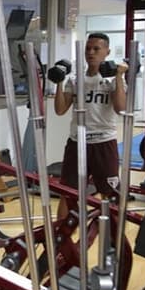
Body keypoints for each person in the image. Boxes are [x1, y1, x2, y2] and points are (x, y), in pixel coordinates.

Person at [54, 32, 127, 218]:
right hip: (77, 142)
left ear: (107, 52)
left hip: (104, 143)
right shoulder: (75, 79)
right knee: (67, 193)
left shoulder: (112, 81)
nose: (91, 53)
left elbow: (120, 108)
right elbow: (60, 109)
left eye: (96, 49)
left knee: (110, 194)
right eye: (88, 49)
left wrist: (119, 76)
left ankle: (113, 241)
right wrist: (59, 82)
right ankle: (60, 239)